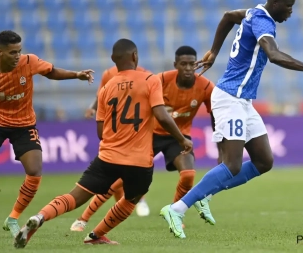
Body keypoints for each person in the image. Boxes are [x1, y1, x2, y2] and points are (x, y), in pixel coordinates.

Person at [160, 0, 303, 239]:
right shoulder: (263, 23)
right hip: (230, 98)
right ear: (275, 2)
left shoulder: (254, 12)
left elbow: (228, 16)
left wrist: (214, 51)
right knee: (231, 164)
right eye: (288, 6)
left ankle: (204, 194)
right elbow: (274, 55)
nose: (290, 12)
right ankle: (177, 208)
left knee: (264, 161)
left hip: (243, 101)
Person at [13, 38, 193, 248]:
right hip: (139, 160)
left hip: (108, 156)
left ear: (113, 60)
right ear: (135, 56)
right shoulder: (150, 80)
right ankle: (97, 234)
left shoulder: (107, 88)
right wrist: (181, 139)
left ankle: (41, 216)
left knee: (75, 197)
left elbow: (100, 132)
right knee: (131, 199)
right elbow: (162, 116)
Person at [70, 46, 216, 232]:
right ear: (175, 65)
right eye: (183, 64)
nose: (188, 68)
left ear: (196, 64)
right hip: (150, 134)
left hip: (177, 137)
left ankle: (175, 213)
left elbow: (214, 113)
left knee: (188, 175)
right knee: (118, 181)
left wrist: (219, 137)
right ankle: (83, 218)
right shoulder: (160, 80)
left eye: (191, 64)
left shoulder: (205, 86)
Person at [0, 30, 94, 238]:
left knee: (35, 170)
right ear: (0, 52)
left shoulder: (29, 62)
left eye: (19, 51)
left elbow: (51, 72)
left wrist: (76, 75)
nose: (17, 56)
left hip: (24, 125)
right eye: (12, 53)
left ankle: (12, 218)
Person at [83, 64, 152, 218]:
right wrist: (93, 108)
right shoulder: (109, 74)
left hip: (135, 129)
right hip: (115, 130)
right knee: (116, 171)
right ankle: (121, 205)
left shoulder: (145, 74)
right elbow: (101, 94)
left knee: (132, 168)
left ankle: (139, 200)